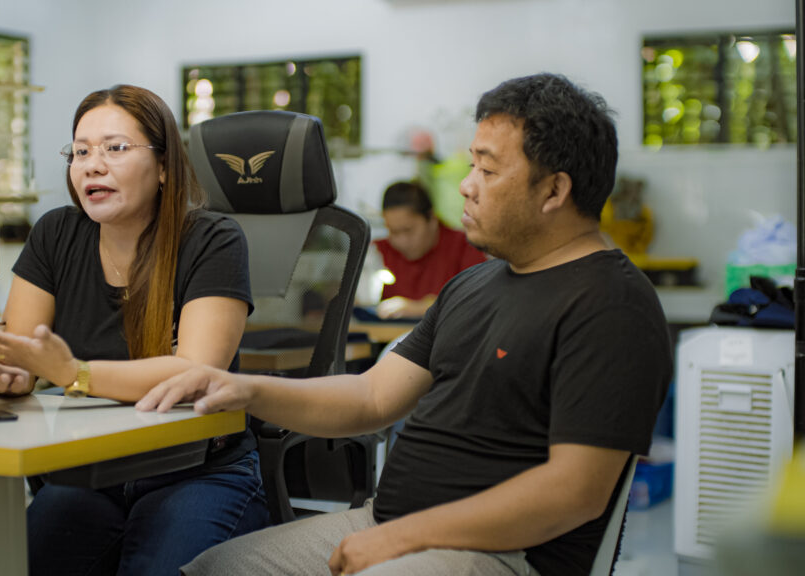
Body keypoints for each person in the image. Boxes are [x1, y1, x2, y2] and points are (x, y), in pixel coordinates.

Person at [136, 73, 673, 576]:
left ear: (554, 191)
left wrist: (403, 538)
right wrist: (242, 388)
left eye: (487, 171)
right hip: (388, 522)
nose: (467, 187)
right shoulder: (474, 285)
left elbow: (575, 492)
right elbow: (372, 397)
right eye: (471, 166)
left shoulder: (612, 306)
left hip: (500, 553)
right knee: (213, 568)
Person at [0, 84, 268, 575]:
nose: (91, 166)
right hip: (91, 472)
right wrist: (13, 375)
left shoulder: (213, 240)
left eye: (115, 148)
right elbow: (23, 353)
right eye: (80, 152)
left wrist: (73, 373)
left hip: (195, 471)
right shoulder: (56, 233)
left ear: (164, 166)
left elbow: (195, 372)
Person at [373, 180, 485, 319]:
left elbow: (476, 302)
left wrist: (417, 308)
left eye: (408, 230)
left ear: (431, 219)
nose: (401, 241)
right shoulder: (377, 252)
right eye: (393, 232)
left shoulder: (465, 247)